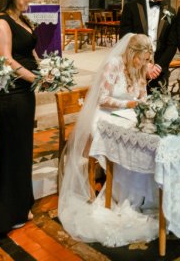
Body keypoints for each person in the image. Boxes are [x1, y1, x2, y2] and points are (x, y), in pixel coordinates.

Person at [58, 33, 159, 247]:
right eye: (143, 58)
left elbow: (141, 95)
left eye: (148, 59)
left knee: (144, 140)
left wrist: (143, 103)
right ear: (132, 53)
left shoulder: (140, 67)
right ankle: (121, 193)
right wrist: (129, 105)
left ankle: (140, 195)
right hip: (104, 116)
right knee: (128, 141)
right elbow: (102, 99)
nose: (145, 64)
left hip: (128, 116)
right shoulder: (114, 64)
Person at [0, 0, 37, 234]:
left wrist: (46, 70)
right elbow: (5, 59)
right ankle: (7, 211)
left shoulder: (22, 19)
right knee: (11, 151)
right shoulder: (1, 23)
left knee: (23, 150)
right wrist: (34, 78)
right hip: (10, 94)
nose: (29, 0)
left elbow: (30, 50)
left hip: (25, 92)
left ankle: (21, 203)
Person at [119, 0, 177, 90]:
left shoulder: (170, 11)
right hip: (135, 69)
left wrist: (158, 67)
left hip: (159, 72)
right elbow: (125, 40)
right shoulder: (131, 8)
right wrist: (144, 66)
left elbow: (172, 44)